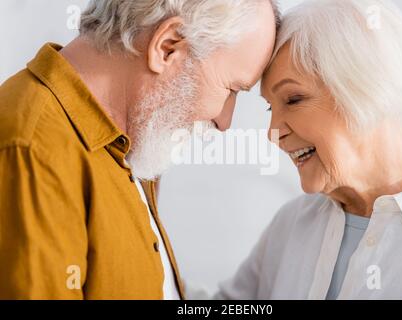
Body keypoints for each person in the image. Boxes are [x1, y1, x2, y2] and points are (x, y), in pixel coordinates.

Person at [0, 0, 279, 299]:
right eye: (232, 90)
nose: (225, 122)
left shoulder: (133, 138)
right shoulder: (33, 148)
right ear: (167, 47)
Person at [215, 0, 402, 299]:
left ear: (367, 87)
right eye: (269, 108)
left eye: (293, 99)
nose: (273, 133)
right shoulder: (292, 224)